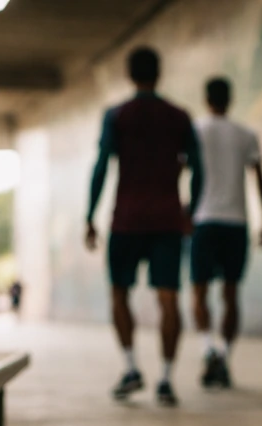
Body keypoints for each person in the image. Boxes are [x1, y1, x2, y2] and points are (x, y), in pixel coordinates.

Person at [85, 46, 203, 406]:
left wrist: (89, 215)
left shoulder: (117, 115)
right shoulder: (179, 116)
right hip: (167, 219)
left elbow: (103, 165)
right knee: (169, 299)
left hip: (127, 219)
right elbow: (200, 168)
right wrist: (190, 212)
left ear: (130, 75)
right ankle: (166, 379)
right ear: (159, 73)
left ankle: (131, 368)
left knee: (119, 293)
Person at [191, 77, 262, 388]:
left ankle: (207, 348)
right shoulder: (246, 135)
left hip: (203, 220)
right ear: (230, 99)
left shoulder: (195, 131)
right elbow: (259, 178)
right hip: (236, 223)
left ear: (206, 99)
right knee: (231, 294)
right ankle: (224, 354)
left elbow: (182, 171)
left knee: (199, 293)